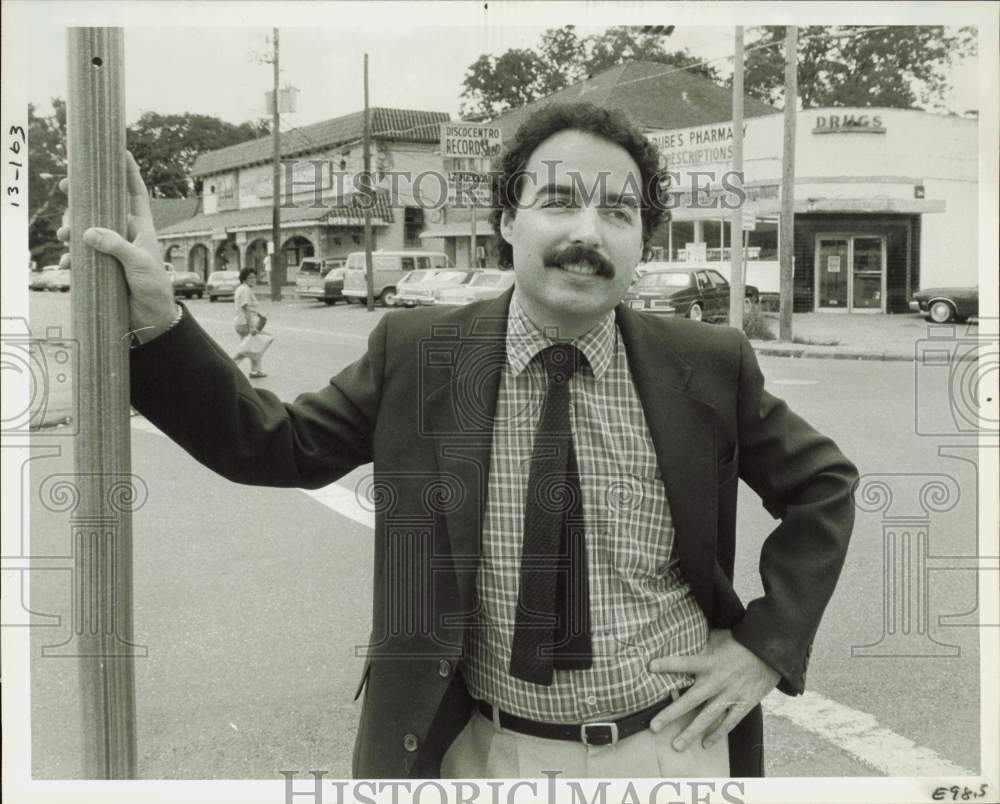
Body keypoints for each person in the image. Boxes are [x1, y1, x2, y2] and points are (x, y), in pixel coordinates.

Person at [60, 104, 858, 779]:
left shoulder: (707, 363)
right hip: (477, 748)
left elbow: (822, 483)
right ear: (507, 220)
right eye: (559, 200)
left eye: (618, 212)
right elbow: (270, 445)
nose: (588, 231)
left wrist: (766, 647)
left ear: (641, 242)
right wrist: (162, 322)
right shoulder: (419, 351)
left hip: (673, 749)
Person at [231, 267, 267, 379]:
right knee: (248, 348)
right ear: (244, 279)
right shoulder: (245, 290)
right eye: (250, 277)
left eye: (254, 277)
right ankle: (230, 366)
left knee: (253, 346)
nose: (253, 279)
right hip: (244, 324)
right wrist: (252, 327)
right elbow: (245, 308)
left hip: (242, 322)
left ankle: (255, 371)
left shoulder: (243, 288)